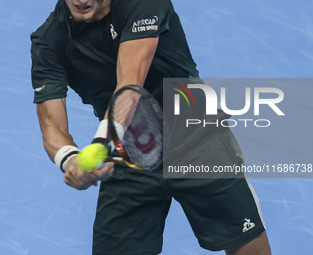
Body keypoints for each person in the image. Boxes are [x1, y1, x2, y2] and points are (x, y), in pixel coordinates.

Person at [30, 0, 272, 254]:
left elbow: (130, 87)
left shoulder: (143, 3)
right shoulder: (50, 40)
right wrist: (69, 160)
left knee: (248, 246)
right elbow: (51, 124)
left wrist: (100, 147)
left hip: (198, 139)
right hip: (129, 152)